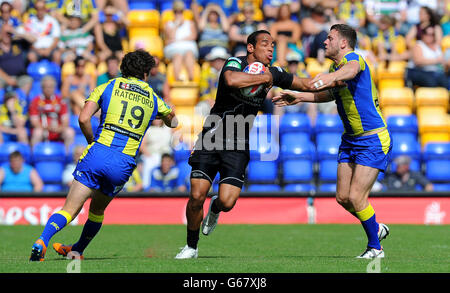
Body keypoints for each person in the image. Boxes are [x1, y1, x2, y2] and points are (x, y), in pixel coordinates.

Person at [175, 30, 339, 259]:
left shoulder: (275, 72)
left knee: (227, 201)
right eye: (265, 44)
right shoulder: (236, 62)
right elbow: (232, 80)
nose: (270, 48)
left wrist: (334, 80)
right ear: (250, 48)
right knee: (196, 196)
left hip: (239, 141)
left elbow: (305, 83)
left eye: (272, 45)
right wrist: (264, 78)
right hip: (211, 136)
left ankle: (216, 208)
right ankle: (191, 247)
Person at [29, 49, 178, 261]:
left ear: (123, 68)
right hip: (123, 163)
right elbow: (174, 122)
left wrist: (92, 142)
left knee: (70, 209)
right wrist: (166, 115)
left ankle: (42, 240)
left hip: (97, 153)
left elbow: (82, 119)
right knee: (97, 211)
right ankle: (78, 250)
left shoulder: (108, 86)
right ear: (147, 73)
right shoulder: (154, 99)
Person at [273, 24, 391, 259]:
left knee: (358, 197)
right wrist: (298, 97)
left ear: (343, 43)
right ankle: (375, 226)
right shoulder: (335, 68)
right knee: (343, 198)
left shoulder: (355, 60)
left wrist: (330, 77)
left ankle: (375, 248)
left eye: (330, 38)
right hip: (350, 141)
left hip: (372, 139)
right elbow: (327, 94)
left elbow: (351, 69)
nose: (325, 42)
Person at [29, 75, 75, 150]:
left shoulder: (60, 101)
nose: (48, 89)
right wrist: (47, 128)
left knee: (70, 132)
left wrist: (59, 129)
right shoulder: (35, 101)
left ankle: (67, 156)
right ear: (42, 88)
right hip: (43, 129)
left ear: (54, 88)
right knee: (37, 133)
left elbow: (65, 121)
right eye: (45, 87)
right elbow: (34, 122)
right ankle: (34, 155)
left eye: (50, 87)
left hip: (58, 130)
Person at [163, 0, 198, 82]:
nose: (178, 14)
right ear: (173, 12)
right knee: (177, 56)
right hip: (174, 49)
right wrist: (176, 25)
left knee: (189, 54)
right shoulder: (168, 24)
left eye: (180, 12)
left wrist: (178, 39)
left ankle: (191, 78)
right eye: (176, 12)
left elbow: (193, 36)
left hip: (188, 48)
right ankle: (177, 79)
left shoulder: (190, 23)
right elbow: (170, 36)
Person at [196, 46, 230, 117]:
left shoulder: (229, 73)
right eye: (215, 59)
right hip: (209, 102)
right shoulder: (205, 73)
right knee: (200, 108)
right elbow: (203, 90)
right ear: (211, 61)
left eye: (221, 59)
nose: (218, 62)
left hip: (225, 102)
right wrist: (210, 101)